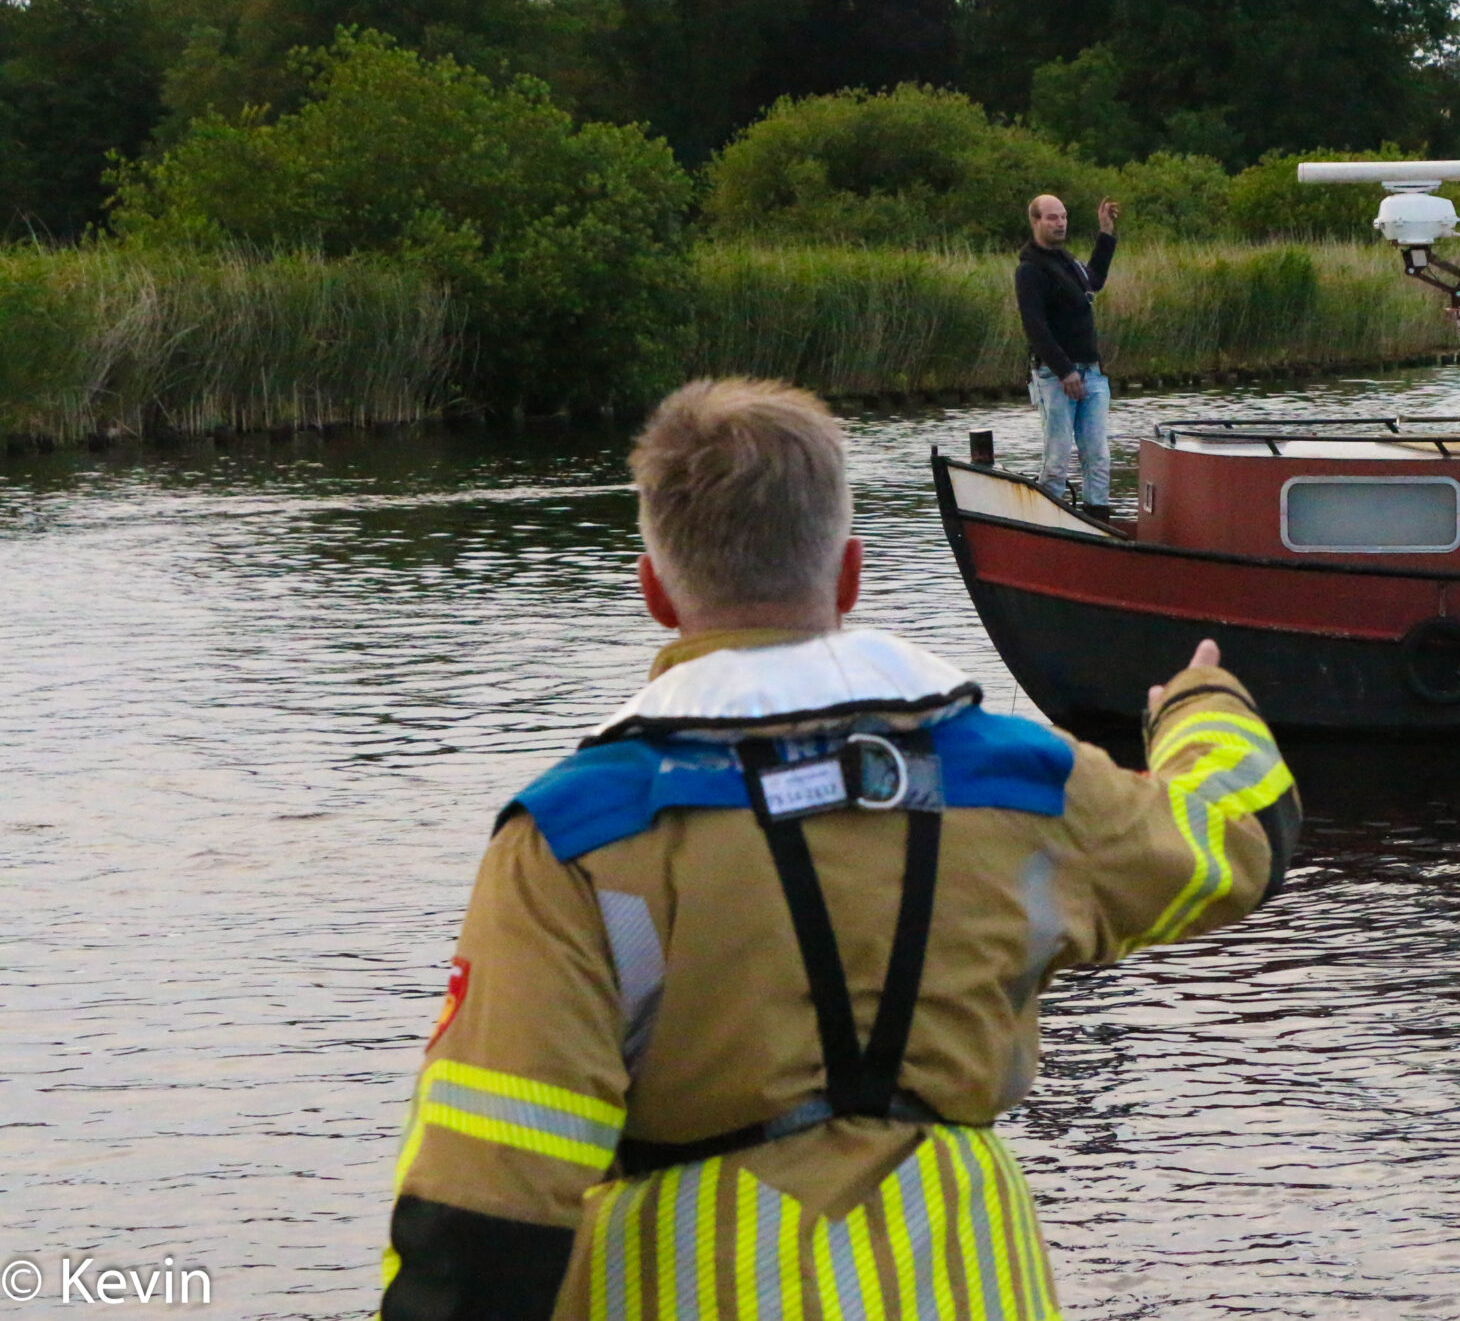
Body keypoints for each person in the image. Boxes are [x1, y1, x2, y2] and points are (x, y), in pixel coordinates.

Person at [377, 377, 1296, 1321]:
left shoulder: (574, 838)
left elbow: (482, 1216)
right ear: (850, 575)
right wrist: (1200, 706)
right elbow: (1238, 841)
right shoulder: (1024, 779)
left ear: (655, 589)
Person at [1015, 193, 1117, 511]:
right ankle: (1046, 522)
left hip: (1092, 372)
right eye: (1052, 218)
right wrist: (1065, 370)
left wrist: (1106, 233)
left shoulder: (1067, 262)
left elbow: (1094, 281)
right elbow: (1035, 327)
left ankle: (1097, 520)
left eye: (1063, 216)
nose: (1060, 223)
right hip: (1055, 376)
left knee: (1098, 455)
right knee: (1057, 459)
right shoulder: (1030, 270)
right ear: (1035, 221)